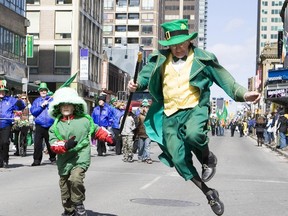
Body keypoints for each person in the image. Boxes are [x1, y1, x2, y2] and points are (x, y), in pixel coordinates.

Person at [127, 19, 261, 216]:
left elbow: (226, 80)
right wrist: (135, 85)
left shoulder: (203, 59)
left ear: (190, 41)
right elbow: (143, 78)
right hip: (170, 114)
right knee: (178, 160)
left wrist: (243, 94)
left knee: (194, 134)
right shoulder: (158, 60)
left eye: (182, 43)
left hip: (195, 108)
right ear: (167, 45)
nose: (178, 47)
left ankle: (207, 157)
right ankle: (209, 193)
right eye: (173, 44)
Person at [48, 87, 113, 216]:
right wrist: (66, 145)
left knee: (76, 179)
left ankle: (78, 203)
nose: (66, 107)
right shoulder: (54, 127)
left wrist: (109, 138)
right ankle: (69, 209)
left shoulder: (84, 120)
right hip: (64, 160)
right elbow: (53, 145)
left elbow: (96, 130)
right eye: (63, 105)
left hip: (80, 157)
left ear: (74, 106)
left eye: (68, 104)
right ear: (58, 108)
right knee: (65, 186)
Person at [0, 79, 25, 168]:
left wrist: (19, 102)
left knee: (5, 142)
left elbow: (21, 106)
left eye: (3, 91)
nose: (1, 93)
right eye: (0, 91)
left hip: (6, 123)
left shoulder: (10, 100)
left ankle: (5, 160)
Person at [30, 82, 56, 166]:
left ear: (47, 91)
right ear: (39, 91)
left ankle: (53, 158)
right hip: (39, 124)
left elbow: (56, 111)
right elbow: (34, 112)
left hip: (50, 124)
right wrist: (41, 106)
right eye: (41, 90)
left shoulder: (52, 100)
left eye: (44, 90)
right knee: (37, 144)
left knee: (50, 143)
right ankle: (37, 160)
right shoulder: (36, 101)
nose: (43, 92)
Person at [135, 99, 153, 164]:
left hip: (148, 134)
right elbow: (137, 124)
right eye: (144, 107)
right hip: (141, 133)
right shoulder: (139, 116)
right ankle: (140, 157)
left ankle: (147, 158)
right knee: (141, 147)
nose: (146, 108)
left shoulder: (150, 115)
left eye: (147, 107)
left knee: (147, 146)